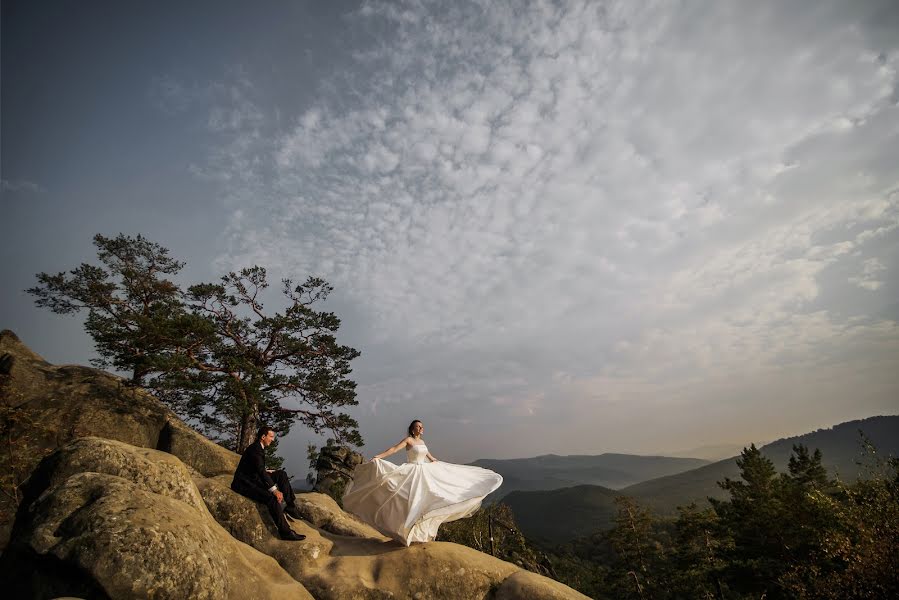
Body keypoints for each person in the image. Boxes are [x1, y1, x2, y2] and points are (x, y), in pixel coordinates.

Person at [342, 419, 503, 546]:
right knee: (410, 501)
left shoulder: (422, 442)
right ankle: (407, 532)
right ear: (413, 429)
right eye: (418, 427)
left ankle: (420, 534)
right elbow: (394, 449)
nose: (421, 429)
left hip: (425, 470)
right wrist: (379, 456)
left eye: (422, 427)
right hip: (412, 471)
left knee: (428, 499)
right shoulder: (409, 440)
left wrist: (435, 461)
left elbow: (428, 455)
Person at [231, 425, 306, 541]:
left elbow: (258, 467)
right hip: (244, 484)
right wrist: (275, 490)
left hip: (253, 478)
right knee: (272, 498)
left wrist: (268, 471)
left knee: (281, 474)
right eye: (271, 436)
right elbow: (260, 471)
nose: (273, 439)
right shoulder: (255, 449)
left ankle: (290, 506)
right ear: (263, 436)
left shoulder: (258, 447)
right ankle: (285, 532)